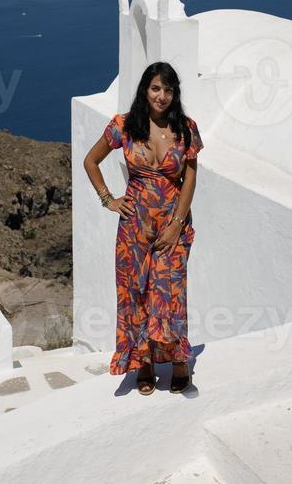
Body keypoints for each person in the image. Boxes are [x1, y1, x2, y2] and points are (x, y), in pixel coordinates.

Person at [83, 62, 203, 395]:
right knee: (135, 294)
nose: (161, 96)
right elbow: (90, 161)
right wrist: (108, 199)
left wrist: (177, 224)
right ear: (145, 90)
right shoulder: (123, 125)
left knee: (170, 294)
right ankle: (144, 363)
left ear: (174, 93)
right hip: (133, 226)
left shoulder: (186, 128)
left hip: (172, 224)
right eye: (155, 88)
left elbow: (190, 176)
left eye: (168, 89)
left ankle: (179, 361)